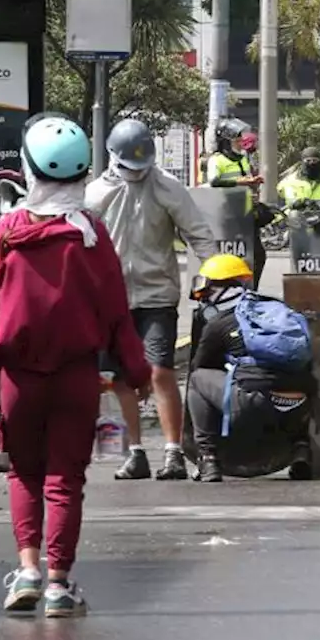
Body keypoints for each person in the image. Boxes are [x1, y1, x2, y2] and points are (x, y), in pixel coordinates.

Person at [0, 113, 151, 617]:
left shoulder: (4, 234)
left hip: (17, 379)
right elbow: (117, 313)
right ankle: (57, 584)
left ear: (29, 169)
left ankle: (26, 571)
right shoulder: (91, 236)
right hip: (76, 377)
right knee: (64, 479)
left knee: (24, 474)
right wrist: (135, 374)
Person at [87, 118, 217, 481]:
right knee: (116, 378)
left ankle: (173, 454)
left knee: (160, 371)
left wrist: (216, 275)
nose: (135, 174)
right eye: (129, 166)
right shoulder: (95, 194)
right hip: (109, 300)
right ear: (113, 157)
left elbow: (200, 235)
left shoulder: (168, 188)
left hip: (157, 294)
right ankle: (133, 453)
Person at [184, 254, 316, 483]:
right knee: (289, 376)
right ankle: (300, 451)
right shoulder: (279, 310)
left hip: (253, 403)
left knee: (197, 379)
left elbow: (200, 366)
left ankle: (208, 459)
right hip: (299, 403)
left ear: (217, 288)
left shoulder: (219, 323)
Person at [206, 118, 270, 284]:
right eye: (237, 137)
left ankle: (250, 291)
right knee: (230, 256)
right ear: (227, 140)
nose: (241, 140)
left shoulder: (243, 159)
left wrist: (254, 183)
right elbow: (214, 181)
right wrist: (241, 182)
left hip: (246, 214)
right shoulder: (217, 159)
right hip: (227, 216)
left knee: (257, 256)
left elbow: (247, 181)